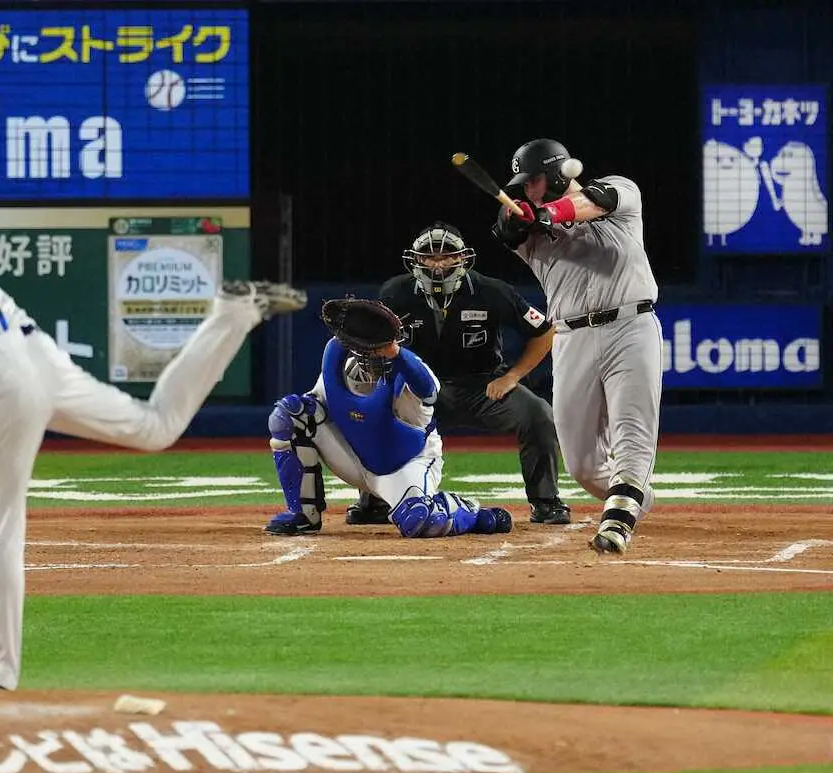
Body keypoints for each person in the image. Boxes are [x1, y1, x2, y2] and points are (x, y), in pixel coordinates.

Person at [0, 176, 307, 690]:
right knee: (155, 427)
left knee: (2, 525)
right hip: (38, 355)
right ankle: (234, 313)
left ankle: (0, 675)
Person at [490, 138, 661, 555]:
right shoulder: (531, 231)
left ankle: (618, 522)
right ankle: (634, 494)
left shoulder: (621, 191)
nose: (526, 190)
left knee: (631, 433)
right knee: (582, 464)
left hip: (631, 326)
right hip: (571, 338)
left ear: (554, 174)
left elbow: (593, 202)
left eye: (532, 181)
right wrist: (519, 220)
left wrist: (548, 212)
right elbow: (505, 230)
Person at [344, 222, 570, 527]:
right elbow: (375, 341)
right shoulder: (395, 293)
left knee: (538, 414)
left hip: (482, 386)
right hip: (418, 391)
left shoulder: (492, 291)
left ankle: (546, 502)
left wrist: (512, 376)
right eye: (429, 256)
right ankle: (374, 501)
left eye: (447, 255)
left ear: (463, 258)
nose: (438, 264)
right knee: (372, 415)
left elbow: (544, 331)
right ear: (416, 260)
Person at [263, 297, 513, 539]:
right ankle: (303, 514)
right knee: (289, 414)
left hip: (403, 464)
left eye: (380, 347)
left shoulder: (410, 373)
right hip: (353, 458)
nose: (373, 354)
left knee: (422, 521)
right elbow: (311, 409)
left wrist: (395, 353)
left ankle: (471, 513)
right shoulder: (338, 364)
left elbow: (428, 389)